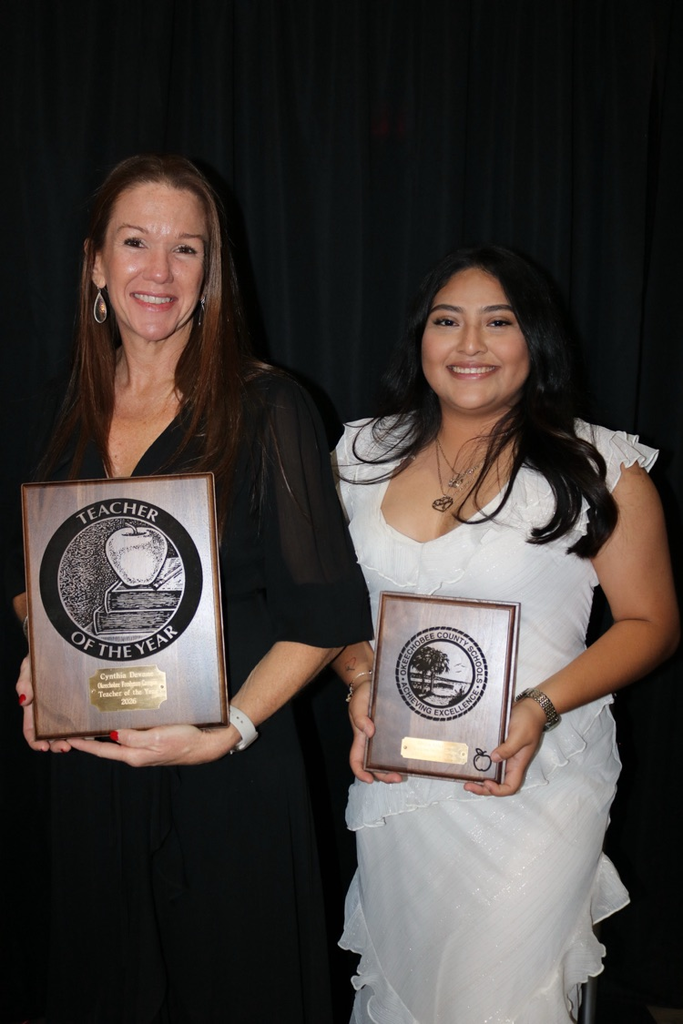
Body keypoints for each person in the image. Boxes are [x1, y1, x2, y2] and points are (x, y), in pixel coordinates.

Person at [10, 153, 371, 1023]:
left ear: (212, 272)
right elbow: (31, 582)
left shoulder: (270, 407)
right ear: (95, 262)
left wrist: (229, 729)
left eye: (187, 249)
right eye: (135, 242)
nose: (159, 271)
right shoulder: (54, 409)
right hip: (91, 772)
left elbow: (323, 614)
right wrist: (39, 663)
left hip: (228, 779)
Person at [331, 245, 678, 1024]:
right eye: (446, 321)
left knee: (499, 999)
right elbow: (329, 619)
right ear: (420, 338)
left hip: (537, 777)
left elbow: (650, 624)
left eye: (498, 322)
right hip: (400, 785)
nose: (468, 346)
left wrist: (538, 709)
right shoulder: (356, 458)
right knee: (409, 992)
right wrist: (358, 679)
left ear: (537, 341)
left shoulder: (601, 466)